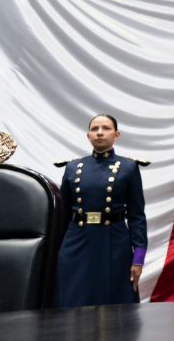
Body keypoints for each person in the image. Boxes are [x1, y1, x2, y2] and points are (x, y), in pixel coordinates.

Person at [55, 114, 147, 307]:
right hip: (77, 243)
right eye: (95, 129)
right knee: (73, 300)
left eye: (105, 128)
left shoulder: (128, 167)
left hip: (114, 243)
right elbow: (61, 216)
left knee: (114, 307)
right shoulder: (72, 168)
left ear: (116, 134)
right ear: (88, 136)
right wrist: (56, 252)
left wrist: (138, 259)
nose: (99, 133)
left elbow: (136, 216)